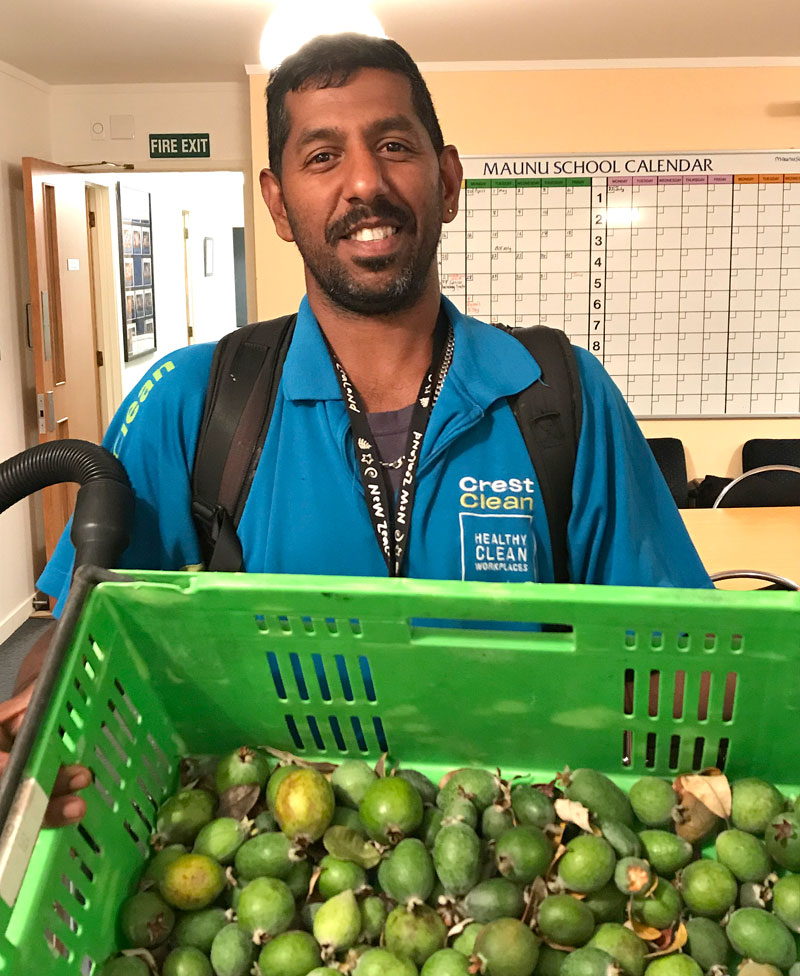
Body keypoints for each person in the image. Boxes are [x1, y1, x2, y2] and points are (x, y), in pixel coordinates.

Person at [5, 33, 712, 826]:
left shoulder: (561, 398)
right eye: (322, 157)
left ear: (447, 180)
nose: (365, 183)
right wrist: (41, 705)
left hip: (530, 864)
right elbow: (82, 630)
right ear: (277, 203)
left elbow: (675, 651)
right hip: (271, 860)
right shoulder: (193, 403)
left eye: (394, 145)